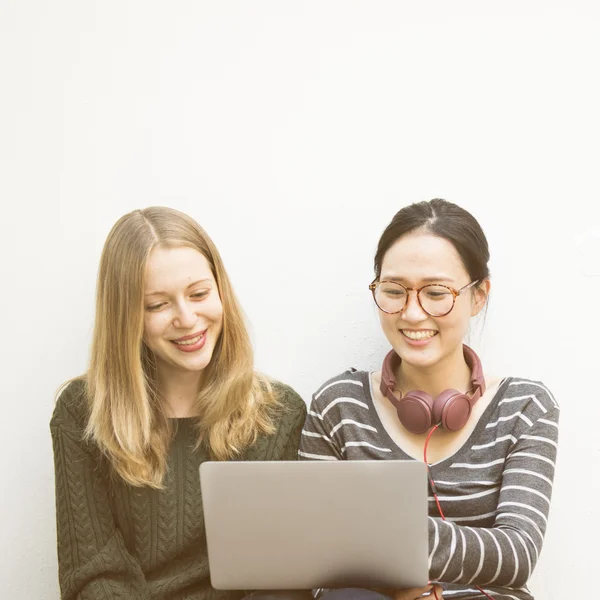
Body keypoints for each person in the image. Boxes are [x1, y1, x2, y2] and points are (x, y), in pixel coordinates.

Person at [299, 199, 559, 600]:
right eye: (394, 291)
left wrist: (390, 540)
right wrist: (388, 584)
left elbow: (517, 554)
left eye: (436, 293)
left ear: (478, 295)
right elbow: (313, 557)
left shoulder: (526, 406)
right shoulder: (338, 405)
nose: (413, 314)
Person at [50, 207, 307, 600]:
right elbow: (92, 572)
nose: (187, 319)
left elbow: (281, 577)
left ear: (221, 291)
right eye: (157, 305)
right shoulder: (82, 412)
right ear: (126, 317)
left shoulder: (279, 413)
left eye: (199, 294)